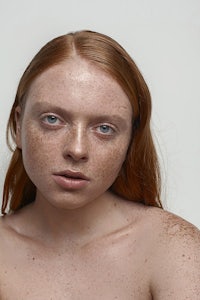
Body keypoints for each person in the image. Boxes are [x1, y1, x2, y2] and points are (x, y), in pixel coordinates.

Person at [0, 30, 199, 299]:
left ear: (130, 140)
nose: (77, 149)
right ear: (17, 126)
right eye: (52, 119)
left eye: (104, 128)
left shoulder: (172, 246)